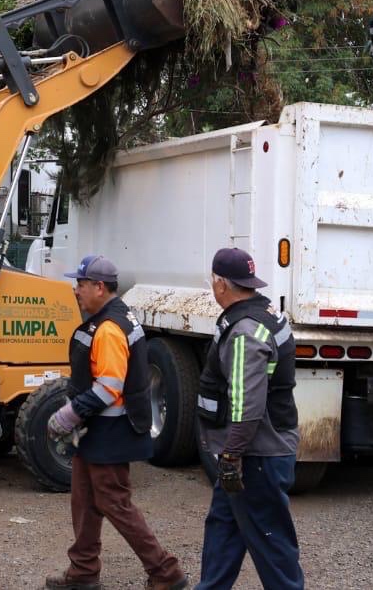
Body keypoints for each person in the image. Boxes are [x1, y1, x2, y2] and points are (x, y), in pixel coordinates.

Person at [45, 255, 187, 590]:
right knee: (84, 499)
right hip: (98, 432)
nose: (76, 291)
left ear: (99, 287)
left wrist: (68, 415)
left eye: (80, 285)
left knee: (114, 503)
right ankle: (82, 572)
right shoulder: (116, 317)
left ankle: (166, 573)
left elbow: (109, 388)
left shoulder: (109, 328)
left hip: (109, 432)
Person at [195, 247, 303, 590]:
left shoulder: (244, 331)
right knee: (223, 531)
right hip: (254, 452)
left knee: (270, 541)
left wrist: (231, 455)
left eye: (213, 280)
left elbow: (248, 404)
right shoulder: (267, 312)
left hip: (256, 456)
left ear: (221, 284)